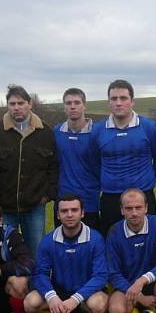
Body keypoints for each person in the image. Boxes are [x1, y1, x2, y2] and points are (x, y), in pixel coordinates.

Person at [0, 85, 58, 255]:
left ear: (29, 104)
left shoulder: (46, 133)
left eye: (21, 103)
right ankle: (8, 282)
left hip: (34, 207)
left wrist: (47, 195)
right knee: (4, 252)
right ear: (7, 105)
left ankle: (36, 282)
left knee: (36, 251)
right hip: (4, 207)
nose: (17, 107)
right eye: (12, 103)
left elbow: (53, 167)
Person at [23, 194, 109, 313]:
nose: (69, 214)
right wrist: (52, 297)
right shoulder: (48, 241)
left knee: (99, 304)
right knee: (30, 303)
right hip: (60, 292)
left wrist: (76, 299)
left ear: (82, 213)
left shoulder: (95, 239)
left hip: (87, 293)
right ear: (58, 215)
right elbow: (40, 273)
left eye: (74, 210)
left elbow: (100, 276)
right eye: (64, 211)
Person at [90, 79, 156, 235]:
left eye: (123, 98)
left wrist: (148, 178)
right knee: (111, 240)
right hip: (111, 197)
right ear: (108, 102)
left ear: (132, 101)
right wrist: (109, 179)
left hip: (143, 194)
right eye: (114, 99)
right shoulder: (98, 130)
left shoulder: (149, 127)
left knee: (147, 241)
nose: (118, 103)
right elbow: (94, 162)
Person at [55, 88, 101, 230]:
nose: (72, 106)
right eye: (68, 103)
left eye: (77, 102)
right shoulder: (56, 132)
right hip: (63, 202)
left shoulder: (98, 132)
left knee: (90, 245)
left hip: (90, 202)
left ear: (84, 105)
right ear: (64, 107)